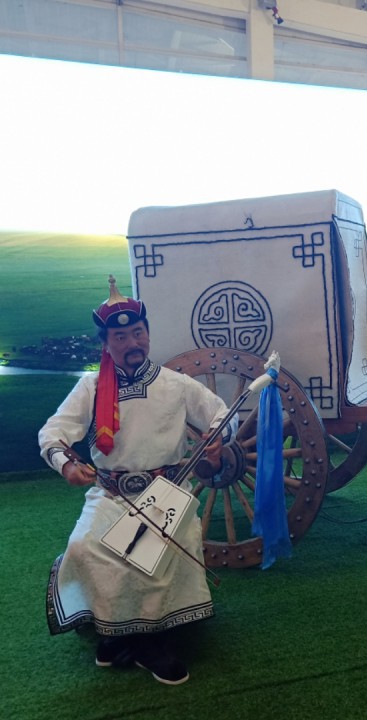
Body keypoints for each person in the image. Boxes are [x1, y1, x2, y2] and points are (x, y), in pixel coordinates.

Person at [39, 275, 238, 685]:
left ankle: (146, 642)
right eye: (120, 337)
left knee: (146, 554)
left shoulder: (176, 385)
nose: (132, 343)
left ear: (147, 334)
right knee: (84, 546)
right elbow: (52, 433)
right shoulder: (91, 387)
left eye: (138, 333)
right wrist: (66, 465)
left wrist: (219, 438)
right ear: (106, 343)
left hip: (167, 494)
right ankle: (120, 631)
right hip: (110, 494)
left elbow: (222, 414)